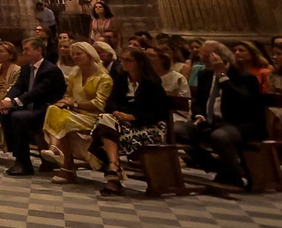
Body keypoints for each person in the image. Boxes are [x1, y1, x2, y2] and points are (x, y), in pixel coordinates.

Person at [174, 40, 265, 187]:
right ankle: (215, 166)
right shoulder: (205, 74)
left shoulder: (244, 77)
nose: (202, 58)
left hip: (238, 123)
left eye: (206, 55)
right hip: (209, 121)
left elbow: (243, 102)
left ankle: (234, 177)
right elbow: (198, 101)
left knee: (220, 136)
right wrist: (198, 115)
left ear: (219, 57)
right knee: (177, 131)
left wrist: (222, 76)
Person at [90, 47, 171, 196]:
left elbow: (159, 112)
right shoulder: (121, 79)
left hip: (149, 126)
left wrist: (133, 118)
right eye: (122, 60)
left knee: (103, 133)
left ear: (139, 63)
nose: (124, 63)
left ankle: (114, 173)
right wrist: (117, 114)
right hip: (121, 125)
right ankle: (114, 169)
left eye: (128, 60)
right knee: (106, 121)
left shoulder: (151, 83)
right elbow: (111, 102)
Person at [0, 36, 67, 176]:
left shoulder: (50, 70)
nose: (24, 53)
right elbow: (17, 87)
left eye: (27, 50)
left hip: (46, 108)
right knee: (4, 112)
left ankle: (24, 163)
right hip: (31, 107)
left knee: (18, 116)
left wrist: (13, 102)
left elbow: (38, 92)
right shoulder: (26, 69)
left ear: (38, 50)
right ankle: (18, 155)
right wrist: (6, 100)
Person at [42, 41, 111, 183]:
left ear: (90, 55)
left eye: (79, 54)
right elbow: (68, 94)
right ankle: (55, 149)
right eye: (74, 55)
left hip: (94, 116)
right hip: (75, 113)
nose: (75, 57)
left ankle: (64, 164)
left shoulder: (104, 78)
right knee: (53, 108)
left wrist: (74, 104)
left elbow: (99, 104)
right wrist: (65, 102)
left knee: (64, 120)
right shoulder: (75, 74)